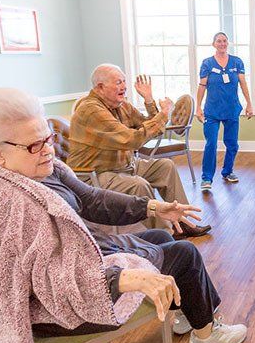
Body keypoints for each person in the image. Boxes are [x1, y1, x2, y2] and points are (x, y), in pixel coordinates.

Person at [0, 88, 247, 343]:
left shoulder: (40, 171)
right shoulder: (10, 203)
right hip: (62, 305)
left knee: (161, 236)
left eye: (48, 138)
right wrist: (120, 278)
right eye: (35, 145)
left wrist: (154, 207)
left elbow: (92, 199)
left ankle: (190, 308)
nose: (48, 150)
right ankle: (206, 336)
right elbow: (50, 281)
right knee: (184, 252)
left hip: (84, 261)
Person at [68, 64, 211, 238]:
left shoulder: (120, 105)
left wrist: (149, 100)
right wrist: (164, 113)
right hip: (95, 174)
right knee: (139, 185)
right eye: (118, 82)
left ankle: (182, 221)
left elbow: (147, 125)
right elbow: (132, 140)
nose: (124, 86)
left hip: (125, 164)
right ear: (100, 87)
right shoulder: (90, 109)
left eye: (124, 82)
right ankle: (167, 233)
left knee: (166, 166)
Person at [195, 32, 253, 192]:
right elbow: (202, 86)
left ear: (228, 43)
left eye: (224, 41)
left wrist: (249, 103)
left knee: (232, 144)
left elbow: (242, 83)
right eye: (219, 41)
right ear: (214, 44)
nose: (222, 43)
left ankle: (227, 171)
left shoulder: (237, 62)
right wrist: (198, 107)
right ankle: (206, 178)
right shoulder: (207, 63)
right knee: (211, 144)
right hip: (212, 111)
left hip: (232, 109)